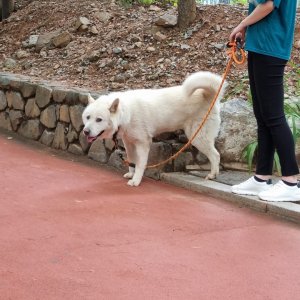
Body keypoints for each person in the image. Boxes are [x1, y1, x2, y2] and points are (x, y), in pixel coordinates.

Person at [229, 0, 300, 201]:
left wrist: (242, 24)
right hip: (261, 46)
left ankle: (290, 181)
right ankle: (262, 177)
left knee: (273, 116)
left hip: (270, 47)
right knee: (263, 115)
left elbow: (268, 5)